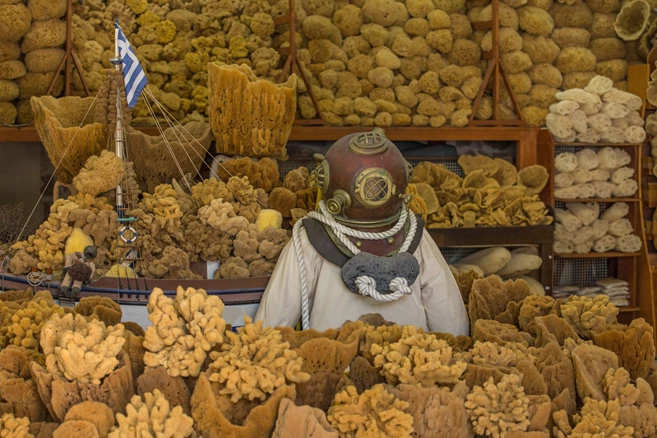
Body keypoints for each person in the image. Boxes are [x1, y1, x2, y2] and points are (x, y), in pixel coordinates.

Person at [255, 128, 469, 335]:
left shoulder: (309, 241)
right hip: (408, 363)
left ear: (325, 180)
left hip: (334, 364)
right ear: (402, 178)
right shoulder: (413, 236)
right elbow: (450, 318)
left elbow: (273, 321)